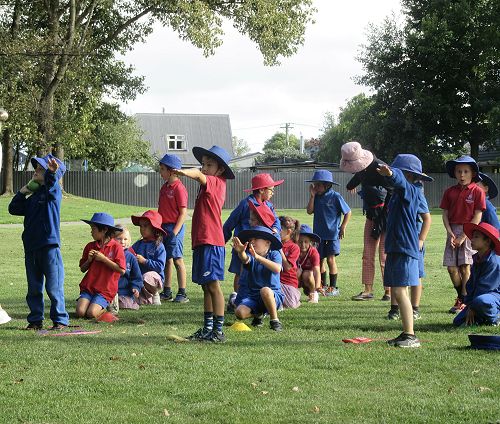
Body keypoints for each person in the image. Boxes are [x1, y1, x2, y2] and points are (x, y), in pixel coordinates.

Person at [173, 145, 234, 343]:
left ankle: (218, 331)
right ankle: (208, 329)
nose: (205, 168)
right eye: (203, 164)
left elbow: (199, 176)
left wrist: (183, 172)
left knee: (213, 285)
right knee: (205, 287)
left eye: (209, 165)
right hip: (202, 242)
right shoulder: (206, 186)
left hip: (212, 242)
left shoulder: (217, 182)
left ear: (220, 169)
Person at [377, 154, 433, 348]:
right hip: (395, 246)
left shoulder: (411, 190)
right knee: (398, 289)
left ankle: (410, 335)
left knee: (400, 291)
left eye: (399, 171)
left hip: (404, 247)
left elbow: (399, 180)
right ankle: (406, 333)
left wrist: (392, 174)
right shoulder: (399, 193)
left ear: (408, 175)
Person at [8, 154, 70, 330]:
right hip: (31, 247)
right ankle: (35, 320)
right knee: (34, 288)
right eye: (36, 168)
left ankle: (60, 320)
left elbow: (51, 183)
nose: (36, 171)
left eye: (40, 169)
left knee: (53, 286)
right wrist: (23, 192)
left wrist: (51, 173)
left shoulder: (53, 193)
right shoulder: (33, 197)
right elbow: (13, 209)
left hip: (49, 246)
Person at [339, 141, 392, 302]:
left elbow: (392, 190)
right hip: (371, 214)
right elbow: (358, 178)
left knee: (384, 254)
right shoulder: (362, 169)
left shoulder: (380, 167)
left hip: (386, 215)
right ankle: (367, 290)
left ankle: (389, 290)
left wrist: (382, 218)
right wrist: (350, 185)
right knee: (367, 253)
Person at [223, 173, 282, 311]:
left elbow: (276, 221)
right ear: (261, 190)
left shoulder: (268, 205)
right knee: (241, 273)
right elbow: (230, 222)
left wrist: (275, 229)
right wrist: (222, 241)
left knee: (258, 273)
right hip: (243, 246)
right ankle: (238, 299)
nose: (273, 193)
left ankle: (262, 301)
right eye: (271, 189)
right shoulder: (245, 204)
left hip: (260, 247)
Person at [440, 155, 486, 314]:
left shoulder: (477, 191)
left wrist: (464, 236)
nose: (462, 174)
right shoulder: (449, 192)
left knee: (465, 267)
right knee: (451, 269)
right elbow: (445, 214)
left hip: (470, 232)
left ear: (472, 173)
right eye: (459, 171)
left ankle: (464, 302)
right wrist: (450, 233)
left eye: (466, 171)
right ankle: (462, 297)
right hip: (452, 232)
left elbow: (477, 216)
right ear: (454, 173)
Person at [387, 181, 431, 321]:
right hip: (397, 242)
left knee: (416, 274)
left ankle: (415, 308)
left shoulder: (416, 193)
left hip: (413, 241)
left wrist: (421, 239)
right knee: (396, 276)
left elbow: (427, 219)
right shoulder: (395, 194)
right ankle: (394, 308)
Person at [306, 169, 351, 296]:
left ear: (327, 185)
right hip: (318, 235)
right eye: (315, 184)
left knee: (331, 260)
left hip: (332, 234)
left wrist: (343, 226)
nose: (315, 187)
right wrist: (312, 196)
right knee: (319, 260)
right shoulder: (316, 197)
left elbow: (348, 212)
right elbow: (309, 211)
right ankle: (322, 285)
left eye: (318, 185)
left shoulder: (335, 196)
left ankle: (333, 287)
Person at [233, 226, 284, 331]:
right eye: (251, 240)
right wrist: (241, 252)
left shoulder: (274, 254)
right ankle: (258, 314)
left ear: (267, 242)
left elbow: (277, 268)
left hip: (273, 295)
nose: (252, 242)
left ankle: (274, 320)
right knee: (239, 313)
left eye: (256, 239)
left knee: (265, 290)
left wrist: (258, 257)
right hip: (253, 296)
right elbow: (245, 259)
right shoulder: (250, 255)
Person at [78, 213, 126, 319]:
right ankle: (93, 304)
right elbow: (82, 269)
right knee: (80, 312)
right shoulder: (90, 246)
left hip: (105, 290)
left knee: (91, 313)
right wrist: (89, 261)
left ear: (104, 230)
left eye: (93, 229)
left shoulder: (116, 247)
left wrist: (104, 259)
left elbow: (122, 270)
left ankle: (109, 309)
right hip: (89, 287)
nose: (91, 232)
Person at [452, 222, 500, 327]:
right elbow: (470, 285)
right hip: (480, 299)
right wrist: (468, 304)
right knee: (458, 321)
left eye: (476, 237)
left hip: (493, 297)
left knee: (481, 301)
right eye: (473, 236)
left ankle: (495, 317)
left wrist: (473, 307)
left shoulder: (493, 262)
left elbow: (486, 288)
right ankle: (482, 319)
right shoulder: (477, 258)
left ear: (487, 241)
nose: (472, 240)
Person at [157, 154, 189, 303]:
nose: (160, 172)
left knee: (177, 260)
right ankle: (167, 291)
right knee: (166, 259)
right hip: (163, 228)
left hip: (175, 228)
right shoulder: (164, 187)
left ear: (172, 171)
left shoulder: (179, 188)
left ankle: (183, 293)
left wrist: (174, 233)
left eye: (162, 169)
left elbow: (183, 213)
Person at [130, 210, 167, 305]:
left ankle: (155, 293)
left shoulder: (159, 246)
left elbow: (160, 266)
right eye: (141, 226)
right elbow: (129, 254)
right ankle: (145, 297)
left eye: (145, 226)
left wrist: (144, 261)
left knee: (147, 277)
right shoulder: (138, 244)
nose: (142, 229)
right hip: (139, 279)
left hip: (154, 279)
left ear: (154, 228)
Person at [114, 225, 143, 310]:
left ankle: (133, 302)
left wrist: (135, 287)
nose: (122, 242)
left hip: (125, 292)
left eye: (125, 239)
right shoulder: (109, 255)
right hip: (110, 291)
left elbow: (137, 277)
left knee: (124, 304)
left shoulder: (131, 257)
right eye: (119, 238)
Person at [279, 216, 301, 309]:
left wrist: (279, 249)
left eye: (279, 229)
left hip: (288, 283)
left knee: (291, 305)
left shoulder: (294, 247)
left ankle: (295, 296)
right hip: (275, 281)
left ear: (288, 232)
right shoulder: (271, 243)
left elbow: (287, 267)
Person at [296, 224, 321, 303]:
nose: (303, 245)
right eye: (300, 242)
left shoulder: (313, 252)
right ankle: (295, 294)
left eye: (306, 242)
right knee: (297, 271)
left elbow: (317, 271)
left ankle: (313, 294)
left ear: (310, 242)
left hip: (309, 279)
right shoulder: (293, 250)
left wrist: (317, 288)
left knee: (308, 274)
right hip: (297, 277)